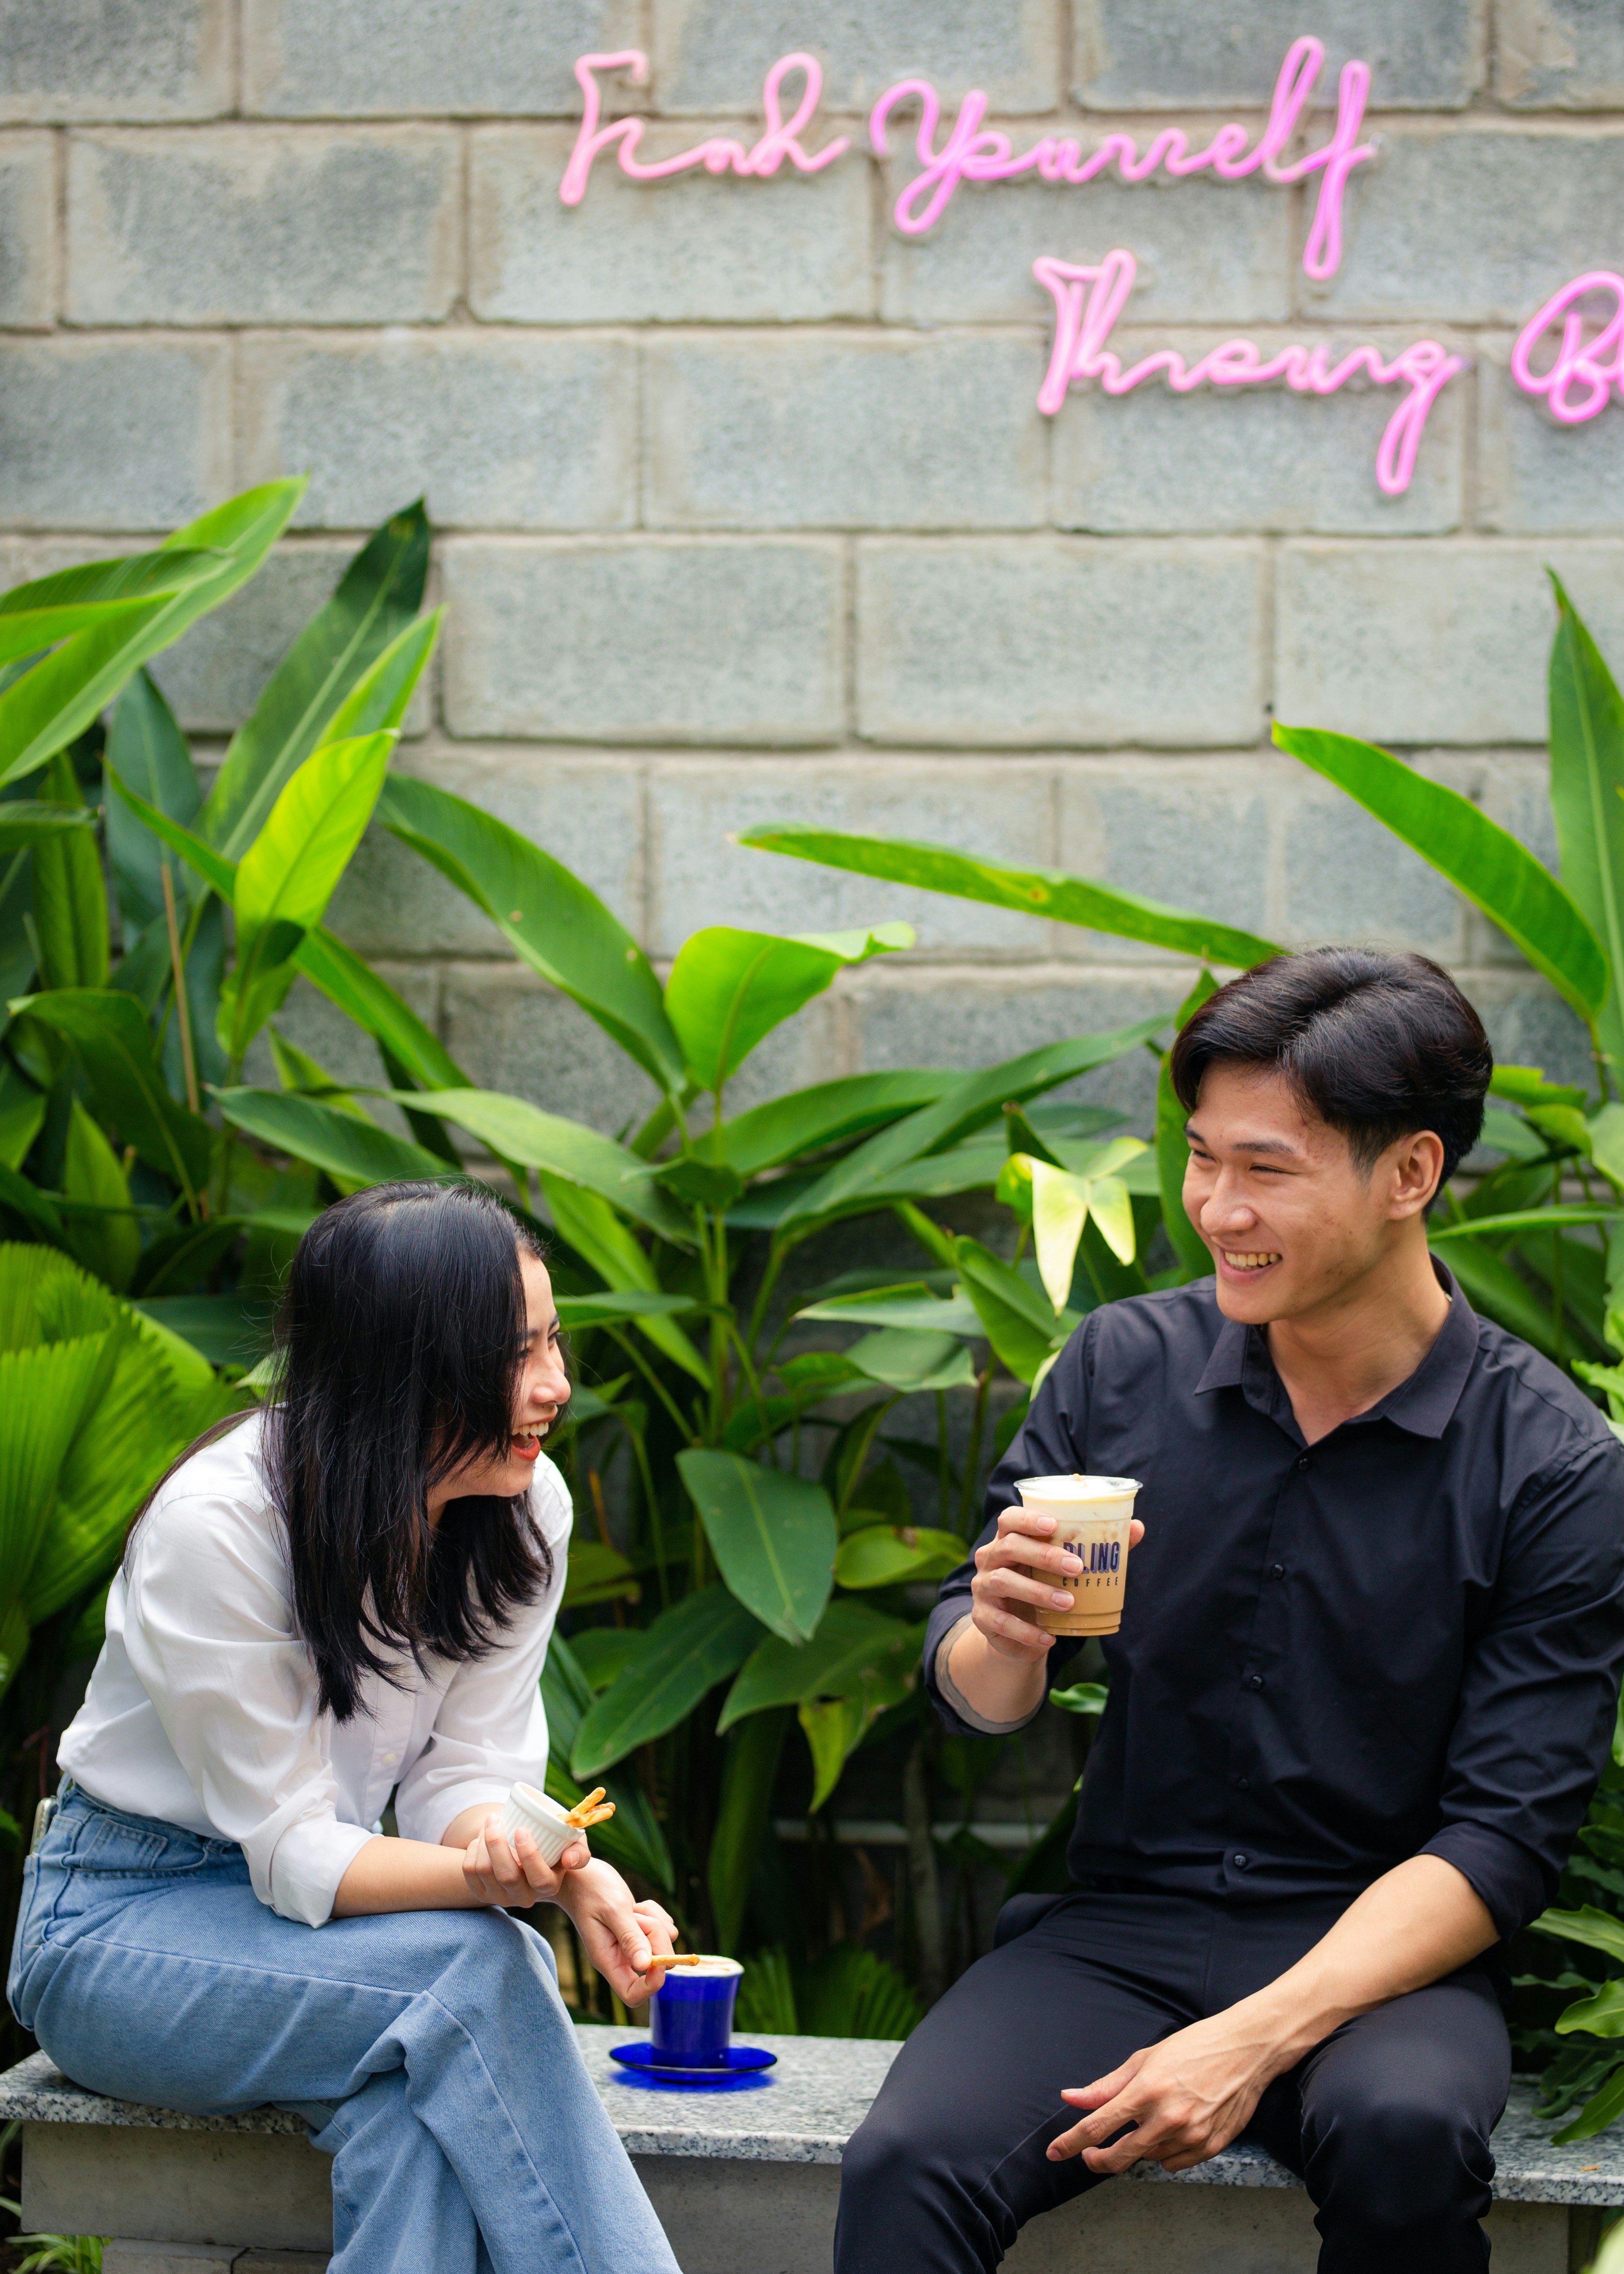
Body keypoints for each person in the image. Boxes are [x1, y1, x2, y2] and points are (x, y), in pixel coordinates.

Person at [836, 948, 1624, 2274]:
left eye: (1265, 1169)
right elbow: (974, 1695)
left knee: (1403, 2133)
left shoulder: (1547, 1463)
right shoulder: (1119, 1368)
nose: (1214, 1207)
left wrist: (1253, 2035)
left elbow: (1501, 1838)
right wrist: (1001, 1638)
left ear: (1409, 1175)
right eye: (1201, 1159)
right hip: (1122, 1928)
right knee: (905, 2163)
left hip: (1386, 1954)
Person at [9, 1180, 683, 2274]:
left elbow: (462, 1777)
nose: (555, 1386)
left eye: (554, 1344)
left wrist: (552, 1862)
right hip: (118, 1930)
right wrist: (516, 1891)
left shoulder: (524, 1509)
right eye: (517, 1356)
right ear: (403, 1366)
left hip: (328, 1948)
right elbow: (293, 1852)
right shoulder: (221, 1526)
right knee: (477, 1969)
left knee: (418, 2130)